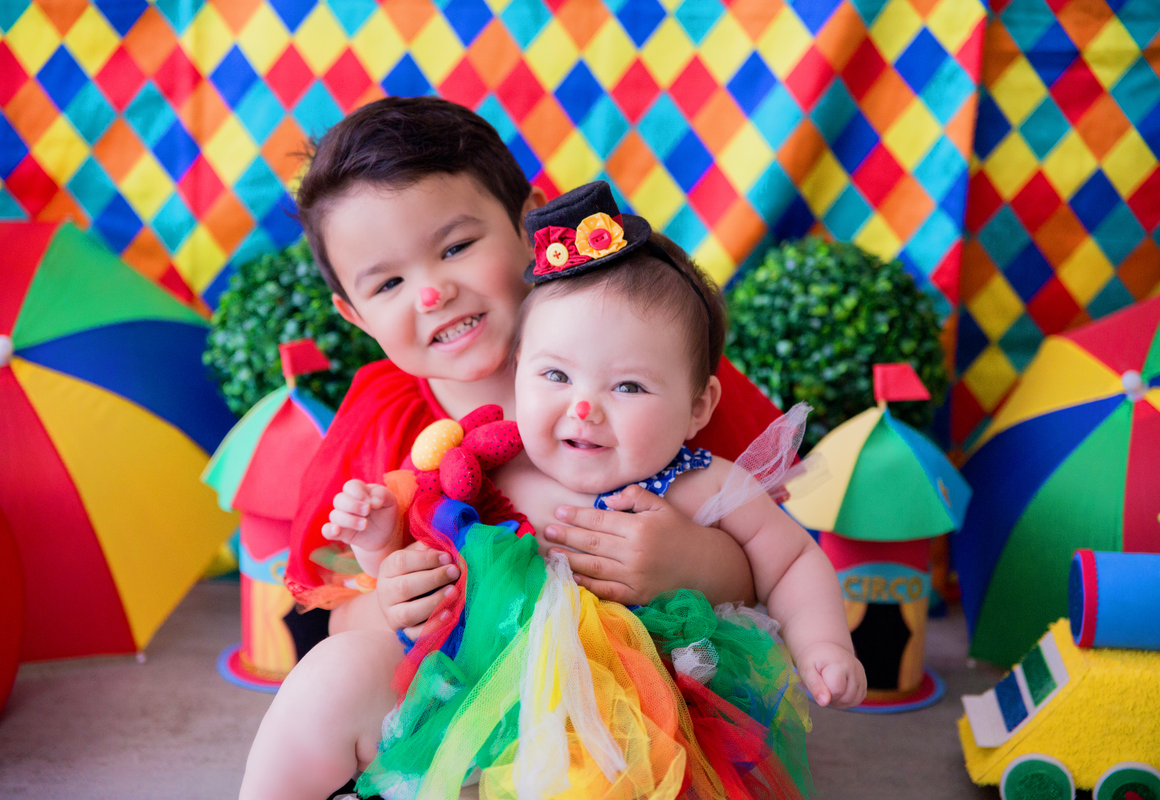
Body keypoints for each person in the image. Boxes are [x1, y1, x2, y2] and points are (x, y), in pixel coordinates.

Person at [242, 99, 785, 799]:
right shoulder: (385, 417)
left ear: (530, 221)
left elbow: (772, 559)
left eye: (456, 246)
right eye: (388, 283)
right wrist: (388, 598)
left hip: (628, 695)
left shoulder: (646, 358)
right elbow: (342, 613)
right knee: (325, 679)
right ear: (353, 312)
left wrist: (694, 561)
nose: (433, 290)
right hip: (458, 679)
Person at [330, 183, 865, 800]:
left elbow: (793, 559)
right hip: (496, 707)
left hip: (652, 725)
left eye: (629, 387)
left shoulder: (699, 483)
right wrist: (379, 550)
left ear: (697, 407)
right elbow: (423, 573)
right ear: (518, 370)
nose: (583, 407)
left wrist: (822, 643)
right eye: (555, 375)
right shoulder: (491, 473)